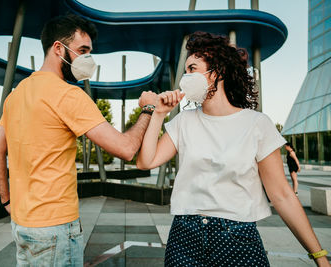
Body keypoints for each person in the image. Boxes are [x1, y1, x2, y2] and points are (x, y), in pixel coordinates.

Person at [137, 31, 330, 266]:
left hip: (237, 239)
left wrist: (319, 256)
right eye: (185, 70)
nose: (185, 77)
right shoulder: (183, 121)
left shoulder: (257, 124)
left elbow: (281, 195)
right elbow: (145, 162)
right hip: (184, 237)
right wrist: (158, 115)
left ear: (218, 71)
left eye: (192, 68)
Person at [0, 15, 160, 266]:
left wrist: (6, 201)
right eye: (83, 50)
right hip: (55, 228)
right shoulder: (68, 95)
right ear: (58, 48)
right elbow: (126, 148)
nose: (88, 60)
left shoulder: (17, 94)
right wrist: (147, 109)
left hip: (22, 224)